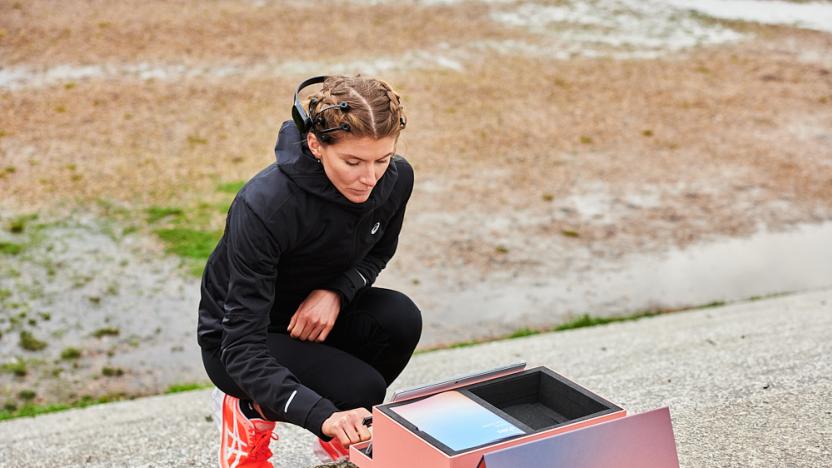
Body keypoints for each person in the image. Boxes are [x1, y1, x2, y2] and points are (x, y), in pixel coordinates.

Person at [197, 75, 422, 468]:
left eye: (381, 160)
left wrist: (335, 291)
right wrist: (323, 415)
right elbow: (240, 345)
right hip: (237, 340)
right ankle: (250, 410)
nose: (369, 178)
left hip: (311, 316)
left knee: (400, 318)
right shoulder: (265, 206)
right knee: (361, 390)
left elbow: (378, 254)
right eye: (352, 162)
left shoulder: (396, 180)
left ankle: (335, 429)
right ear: (316, 145)